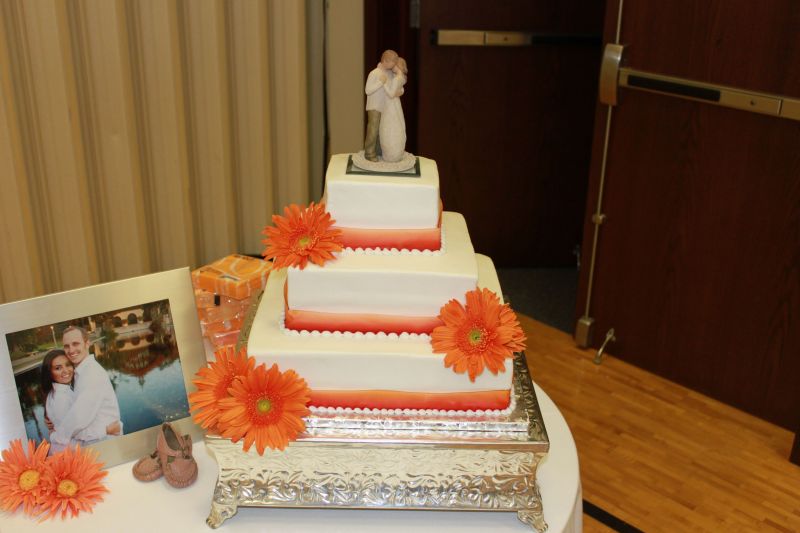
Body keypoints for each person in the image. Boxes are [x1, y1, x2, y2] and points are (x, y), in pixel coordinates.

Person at [47, 326, 122, 449]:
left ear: (87, 344)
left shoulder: (91, 374)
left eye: (76, 344)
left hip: (103, 444)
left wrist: (55, 435)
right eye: (66, 346)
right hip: (97, 440)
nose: (71, 350)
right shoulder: (81, 372)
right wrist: (55, 418)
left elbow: (78, 419)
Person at [363, 50, 399, 162]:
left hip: (385, 106)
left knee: (381, 130)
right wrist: (380, 83)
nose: (394, 65)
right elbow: (367, 90)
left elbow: (392, 87)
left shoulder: (389, 73)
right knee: (373, 129)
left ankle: (378, 151)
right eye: (392, 62)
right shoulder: (374, 73)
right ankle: (369, 153)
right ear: (385, 61)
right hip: (374, 106)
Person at [378, 56, 408, 162]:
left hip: (391, 103)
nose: (391, 66)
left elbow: (390, 94)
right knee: (395, 124)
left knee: (389, 125)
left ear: (397, 66)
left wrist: (384, 82)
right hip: (395, 104)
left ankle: (391, 152)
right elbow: (400, 89)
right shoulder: (401, 78)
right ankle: (394, 151)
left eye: (394, 65)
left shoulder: (397, 78)